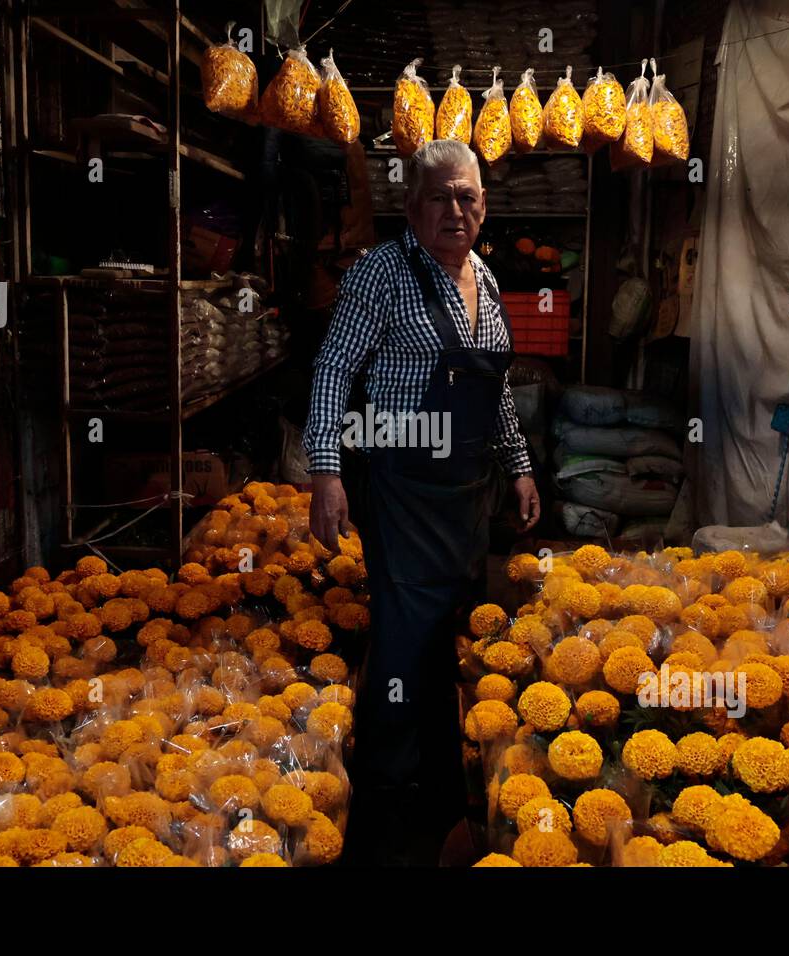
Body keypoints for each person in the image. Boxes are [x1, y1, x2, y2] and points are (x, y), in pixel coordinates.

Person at [303, 139, 540, 865]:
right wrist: (326, 471)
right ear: (412, 207)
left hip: (468, 495)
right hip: (402, 488)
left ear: (484, 207)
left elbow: (493, 387)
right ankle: (375, 818)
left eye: (467, 197)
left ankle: (441, 800)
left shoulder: (489, 280)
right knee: (404, 649)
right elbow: (333, 366)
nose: (455, 210)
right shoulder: (381, 274)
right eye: (440, 197)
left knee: (448, 651)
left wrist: (520, 466)